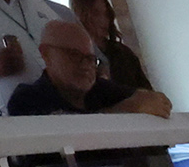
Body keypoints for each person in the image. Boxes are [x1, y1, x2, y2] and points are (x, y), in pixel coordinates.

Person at [9, 18, 169, 116]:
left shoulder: (99, 88)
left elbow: (151, 100)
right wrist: (126, 110)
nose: (86, 66)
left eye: (91, 59)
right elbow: (68, 134)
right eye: (74, 55)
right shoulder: (26, 99)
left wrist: (142, 101)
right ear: (46, 54)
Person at [72, 0, 156, 101]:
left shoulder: (123, 54)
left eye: (106, 14)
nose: (103, 20)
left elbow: (147, 93)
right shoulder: (73, 57)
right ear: (82, 14)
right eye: (96, 13)